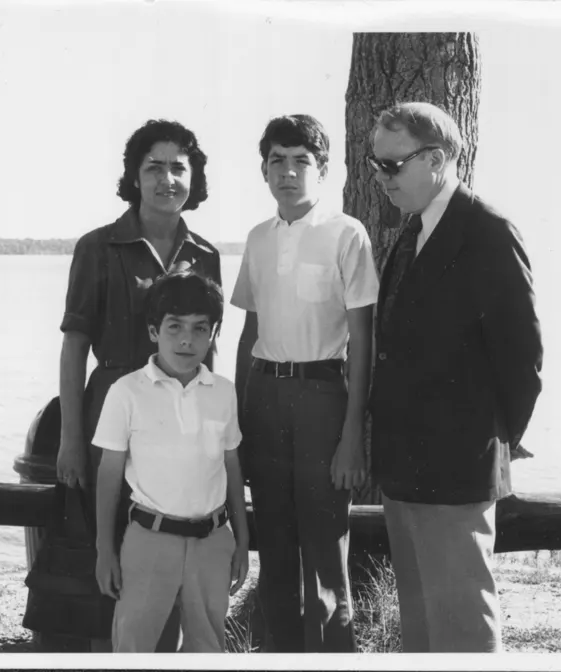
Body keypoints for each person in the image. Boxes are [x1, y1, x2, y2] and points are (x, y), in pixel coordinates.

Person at [367, 102, 543, 653]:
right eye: (375, 164)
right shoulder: (412, 231)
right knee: (421, 630)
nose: (380, 177)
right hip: (404, 470)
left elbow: (524, 361)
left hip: (457, 471)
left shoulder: (487, 231)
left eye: (391, 165)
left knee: (463, 631)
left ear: (437, 159)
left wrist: (488, 443)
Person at [54, 119, 221, 650]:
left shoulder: (206, 254)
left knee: (174, 549)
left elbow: (208, 354)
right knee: (114, 556)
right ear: (134, 176)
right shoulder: (99, 247)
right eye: (154, 167)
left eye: (179, 167)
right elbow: (75, 344)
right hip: (112, 412)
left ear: (193, 177)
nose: (167, 179)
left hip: (179, 424)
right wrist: (70, 438)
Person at [231, 114, 379, 652]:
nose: (288, 172)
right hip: (265, 398)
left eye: (301, 161)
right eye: (277, 161)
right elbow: (249, 333)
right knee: (273, 548)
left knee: (324, 554)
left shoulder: (346, 233)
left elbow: (361, 339)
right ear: (264, 170)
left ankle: (336, 657)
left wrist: (350, 436)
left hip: (322, 398)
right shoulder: (257, 238)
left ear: (321, 168)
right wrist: (238, 424)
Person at [91, 269, 249, 653]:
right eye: (174, 326)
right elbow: (109, 473)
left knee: (208, 647)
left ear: (213, 334)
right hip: (149, 540)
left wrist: (242, 542)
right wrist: (104, 550)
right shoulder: (125, 392)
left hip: (213, 542)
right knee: (133, 647)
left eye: (200, 329)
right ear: (153, 331)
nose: (186, 339)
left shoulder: (224, 392)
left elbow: (231, 468)